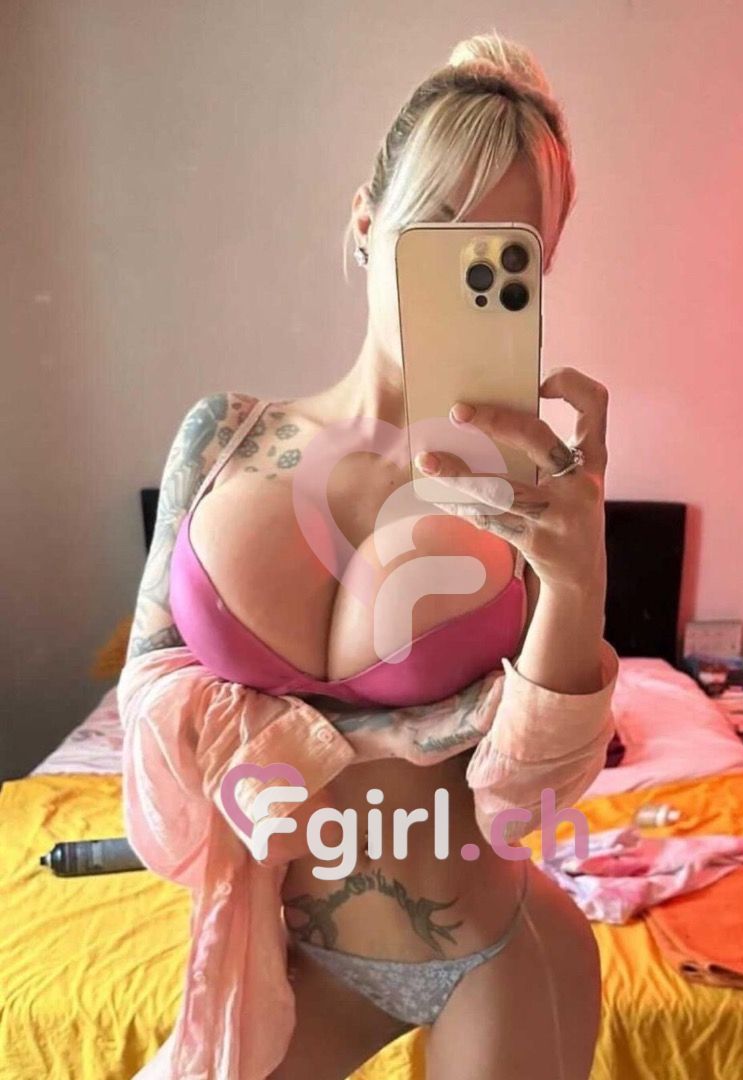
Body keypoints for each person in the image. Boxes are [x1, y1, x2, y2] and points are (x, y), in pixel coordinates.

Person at [121, 30, 619, 1080]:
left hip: (492, 957)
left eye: (504, 247)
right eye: (435, 225)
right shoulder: (224, 439)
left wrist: (577, 581)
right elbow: (148, 706)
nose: (460, 267)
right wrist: (380, 736)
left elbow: (530, 794)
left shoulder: (529, 487)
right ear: (365, 218)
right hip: (288, 961)